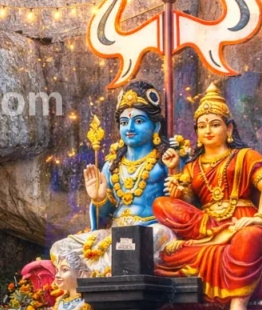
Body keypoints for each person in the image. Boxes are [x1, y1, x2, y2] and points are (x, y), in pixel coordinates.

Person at [155, 83, 262, 310]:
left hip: (241, 222)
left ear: (228, 128)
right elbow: (187, 203)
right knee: (161, 204)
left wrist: (260, 218)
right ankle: (219, 235)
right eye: (202, 126)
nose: (208, 130)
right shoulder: (192, 166)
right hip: (207, 227)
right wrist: (175, 176)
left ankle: (238, 302)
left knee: (252, 237)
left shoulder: (245, 156)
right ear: (196, 133)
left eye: (214, 124)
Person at [51, 81, 177, 276]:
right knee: (60, 249)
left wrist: (177, 181)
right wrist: (99, 199)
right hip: (115, 234)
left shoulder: (167, 160)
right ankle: (102, 271)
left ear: (156, 126)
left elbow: (184, 206)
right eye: (124, 123)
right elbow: (103, 216)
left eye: (139, 121)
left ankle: (98, 272)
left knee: (144, 240)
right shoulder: (111, 165)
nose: (130, 128)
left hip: (151, 229)